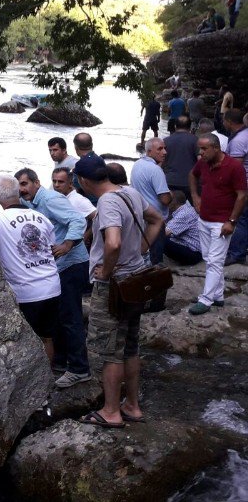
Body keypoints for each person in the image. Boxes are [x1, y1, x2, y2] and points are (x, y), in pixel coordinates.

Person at [74, 153, 164, 428]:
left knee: (110, 350)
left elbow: (112, 243)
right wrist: (142, 249)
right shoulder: (129, 192)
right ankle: (132, 406)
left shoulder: (107, 201)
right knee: (130, 346)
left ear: (84, 181)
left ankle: (111, 411)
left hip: (115, 285)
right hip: (136, 279)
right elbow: (157, 218)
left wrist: (106, 270)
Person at [16, 168, 91, 388]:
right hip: (57, 267)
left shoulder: (49, 199)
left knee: (71, 318)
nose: (22, 189)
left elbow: (78, 220)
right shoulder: (30, 201)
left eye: (25, 184)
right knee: (59, 317)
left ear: (36, 183)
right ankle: (60, 360)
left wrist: (67, 244)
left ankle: (79, 369)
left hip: (72, 263)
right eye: (18, 185)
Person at [0, 175, 61, 363]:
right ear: (19, 193)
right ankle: (47, 380)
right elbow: (50, 247)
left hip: (26, 292)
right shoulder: (41, 218)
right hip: (52, 286)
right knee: (47, 337)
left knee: (27, 340)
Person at [188, 133, 248, 314]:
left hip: (222, 223)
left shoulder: (234, 167)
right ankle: (218, 296)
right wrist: (195, 196)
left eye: (204, 149)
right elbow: (192, 174)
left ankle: (205, 299)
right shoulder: (203, 163)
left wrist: (231, 221)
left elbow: (242, 195)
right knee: (210, 259)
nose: (201, 153)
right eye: (200, 148)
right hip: (204, 219)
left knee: (214, 261)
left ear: (216, 148)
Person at [130, 137, 172, 264]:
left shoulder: (138, 164)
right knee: (155, 257)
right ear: (149, 152)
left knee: (143, 253)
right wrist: (171, 195)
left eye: (165, 148)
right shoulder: (155, 170)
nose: (164, 152)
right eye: (160, 149)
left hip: (141, 216)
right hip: (155, 220)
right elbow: (165, 199)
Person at [224, 109, 248, 265]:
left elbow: (235, 168)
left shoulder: (239, 140)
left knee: (241, 219)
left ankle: (236, 253)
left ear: (229, 122)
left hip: (244, 185)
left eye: (224, 121)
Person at [163, 191, 203, 265]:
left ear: (172, 203)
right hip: (195, 250)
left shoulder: (183, 214)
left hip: (194, 254)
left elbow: (164, 233)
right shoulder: (188, 209)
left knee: (160, 240)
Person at [163, 116, 198, 194]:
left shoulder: (165, 141)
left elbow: (161, 162)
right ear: (190, 126)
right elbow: (201, 161)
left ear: (175, 126)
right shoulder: (195, 140)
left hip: (169, 181)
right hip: (189, 183)